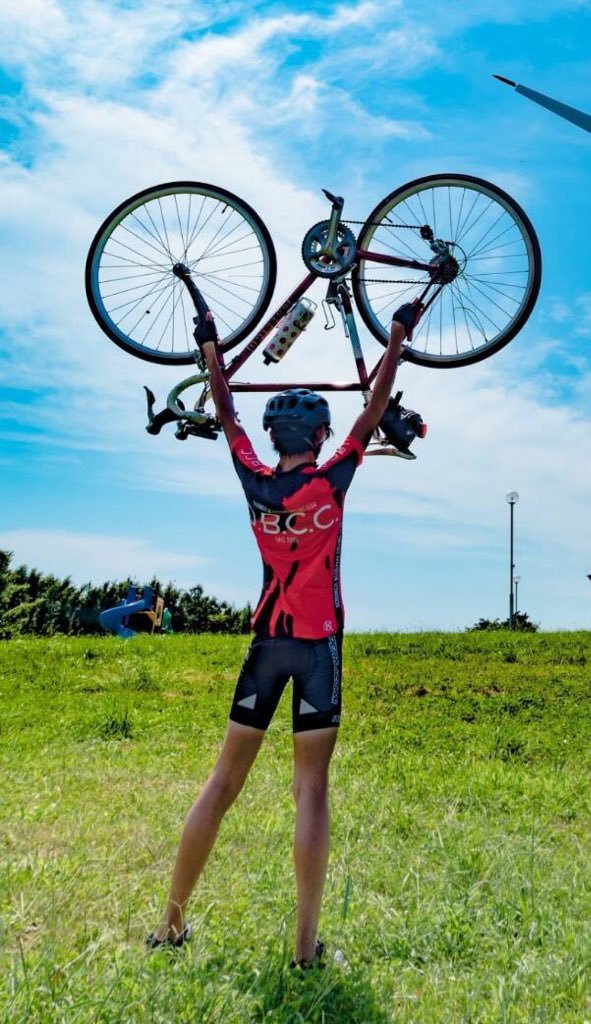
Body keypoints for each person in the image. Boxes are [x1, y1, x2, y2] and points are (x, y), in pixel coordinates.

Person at [146, 297, 423, 968]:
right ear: (321, 438)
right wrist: (396, 336)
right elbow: (376, 400)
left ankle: (171, 927)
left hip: (266, 646)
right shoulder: (333, 481)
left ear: (276, 441)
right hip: (320, 648)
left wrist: (213, 351)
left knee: (221, 784)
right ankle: (303, 949)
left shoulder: (252, 479)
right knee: (311, 791)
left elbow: (228, 413)